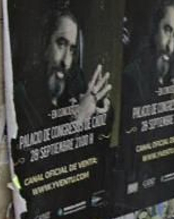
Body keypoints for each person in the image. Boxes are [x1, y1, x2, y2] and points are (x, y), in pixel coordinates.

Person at [18, 7, 110, 136]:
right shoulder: (22, 94)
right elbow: (38, 150)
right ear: (44, 43)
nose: (66, 61)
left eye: (72, 49)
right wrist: (77, 121)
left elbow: (102, 138)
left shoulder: (74, 77)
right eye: (61, 44)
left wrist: (102, 110)